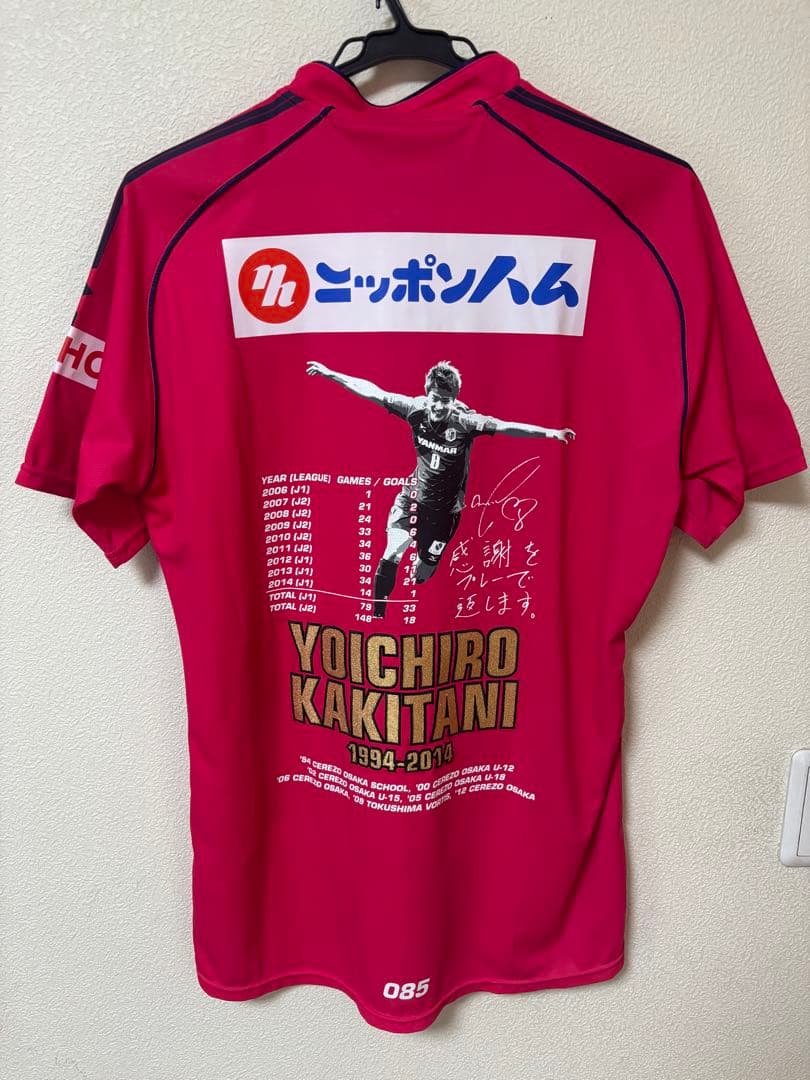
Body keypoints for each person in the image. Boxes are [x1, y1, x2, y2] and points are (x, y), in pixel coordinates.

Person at [306, 359, 575, 617]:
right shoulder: (415, 409)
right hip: (412, 499)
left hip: (445, 513)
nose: (438, 406)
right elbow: (374, 392)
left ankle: (426, 565)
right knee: (392, 551)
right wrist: (331, 374)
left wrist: (551, 433)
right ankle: (378, 614)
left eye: (445, 401)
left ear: (454, 400)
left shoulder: (467, 422)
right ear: (428, 395)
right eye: (435, 399)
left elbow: (506, 427)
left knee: (423, 572)